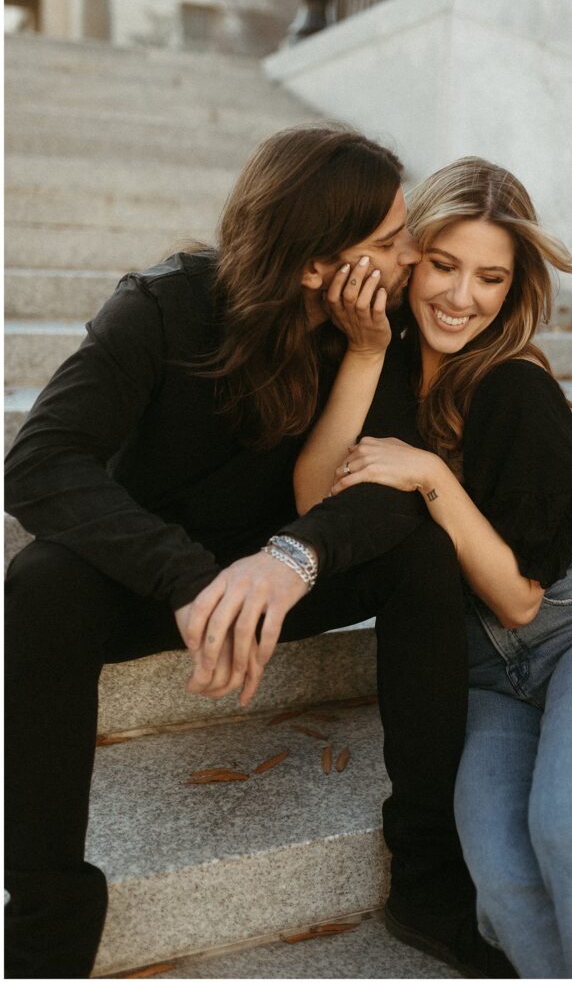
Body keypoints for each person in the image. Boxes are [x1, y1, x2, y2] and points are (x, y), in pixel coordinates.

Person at [4, 126, 515, 979]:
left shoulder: (380, 329)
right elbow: (38, 463)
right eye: (391, 241)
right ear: (318, 263)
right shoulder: (164, 306)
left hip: (287, 568)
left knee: (424, 550)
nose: (412, 254)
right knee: (42, 580)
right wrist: (192, 580)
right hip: (162, 574)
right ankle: (48, 913)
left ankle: (429, 878)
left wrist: (294, 557)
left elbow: (384, 489)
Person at [295, 156, 572, 978]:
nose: (460, 297)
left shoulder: (517, 390)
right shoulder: (383, 362)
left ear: (514, 286)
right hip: (481, 677)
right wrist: (369, 352)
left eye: (489, 277)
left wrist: (431, 473)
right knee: (508, 888)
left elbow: (522, 602)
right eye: (444, 266)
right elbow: (316, 502)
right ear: (411, 258)